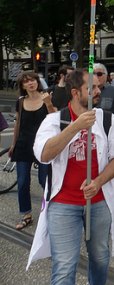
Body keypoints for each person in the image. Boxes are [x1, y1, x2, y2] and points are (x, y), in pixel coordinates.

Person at [27, 68, 114, 282]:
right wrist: (75, 127)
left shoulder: (108, 120)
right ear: (75, 93)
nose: (98, 91)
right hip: (63, 204)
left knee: (100, 257)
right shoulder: (54, 121)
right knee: (64, 265)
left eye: (98, 86)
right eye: (92, 88)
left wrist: (98, 182)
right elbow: (43, 155)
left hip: (99, 202)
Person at [9, 71, 55, 230]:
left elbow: (54, 119)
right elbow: (18, 124)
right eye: (26, 81)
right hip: (24, 145)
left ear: (37, 82)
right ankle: (26, 215)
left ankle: (50, 211)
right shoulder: (21, 102)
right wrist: (13, 144)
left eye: (33, 80)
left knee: (44, 181)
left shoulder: (46, 97)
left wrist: (48, 103)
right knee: (22, 182)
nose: (30, 83)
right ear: (22, 86)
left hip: (43, 146)